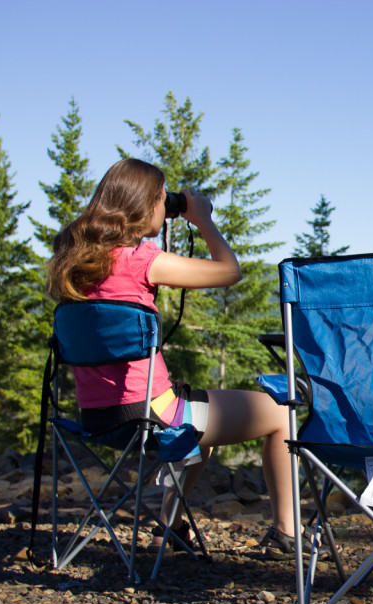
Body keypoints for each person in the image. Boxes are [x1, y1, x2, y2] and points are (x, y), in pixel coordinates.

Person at [46, 158, 300, 559]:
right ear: (146, 205)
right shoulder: (141, 261)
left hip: (97, 418)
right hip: (152, 415)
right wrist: (201, 219)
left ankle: (173, 525)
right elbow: (229, 271)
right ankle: (287, 532)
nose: (167, 207)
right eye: (163, 200)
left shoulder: (75, 260)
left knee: (201, 426)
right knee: (277, 411)